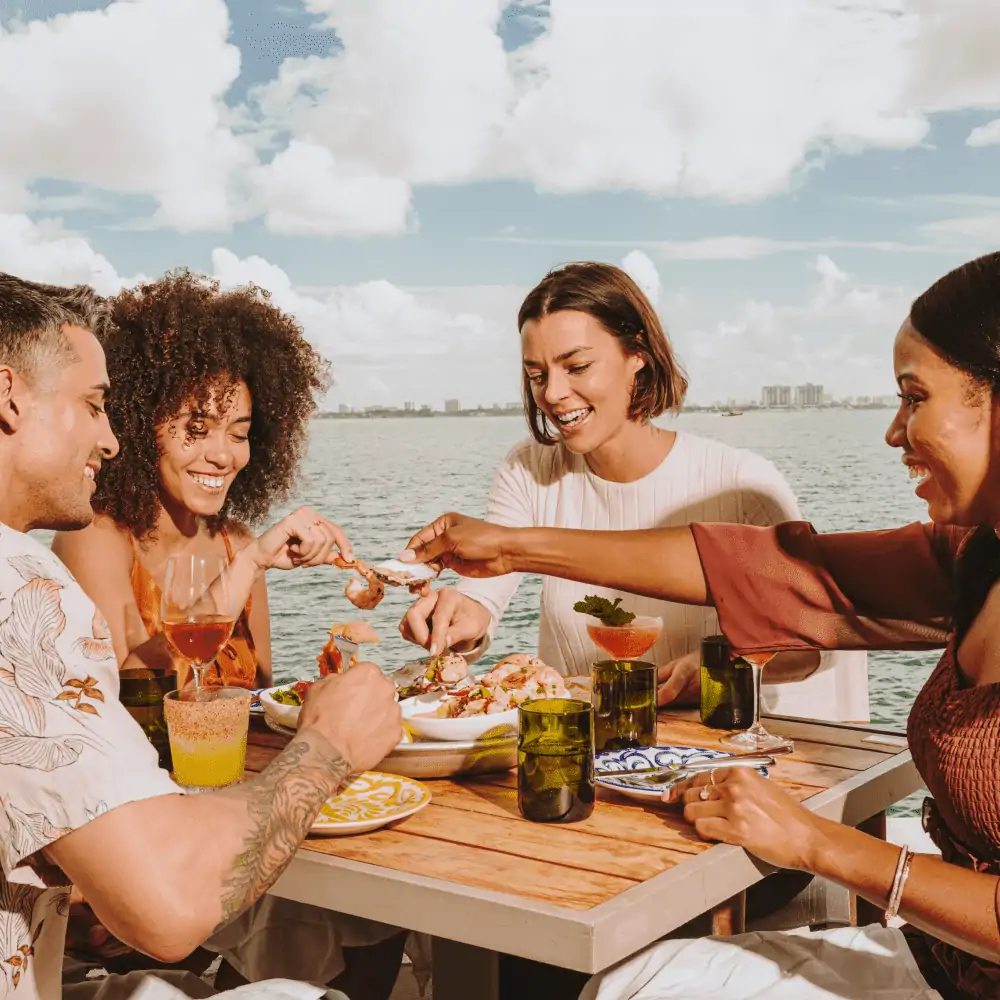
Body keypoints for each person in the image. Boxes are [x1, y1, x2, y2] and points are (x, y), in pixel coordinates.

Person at [401, 251, 1000, 999]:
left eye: (915, 397)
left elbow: (781, 609)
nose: (891, 430)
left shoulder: (741, 475)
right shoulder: (973, 560)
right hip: (941, 962)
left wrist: (817, 841)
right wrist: (507, 546)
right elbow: (769, 568)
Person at [0, 271, 402, 1000]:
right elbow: (168, 907)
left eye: (240, 433)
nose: (111, 437)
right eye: (95, 407)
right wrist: (330, 742)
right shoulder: (26, 585)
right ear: (9, 397)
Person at [399, 262, 868, 722]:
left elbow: (810, 648)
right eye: (537, 375)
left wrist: (714, 667)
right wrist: (466, 616)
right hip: (582, 757)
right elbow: (485, 591)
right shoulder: (529, 468)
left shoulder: (743, 485)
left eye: (577, 366)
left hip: (713, 757)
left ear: (637, 356)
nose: (554, 393)